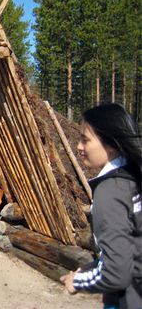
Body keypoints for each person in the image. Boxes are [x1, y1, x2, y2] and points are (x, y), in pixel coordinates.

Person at [60, 103, 141, 308]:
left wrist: (77, 281)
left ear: (111, 144)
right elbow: (129, 249)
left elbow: (117, 273)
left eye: (85, 140)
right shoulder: (132, 180)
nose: (79, 146)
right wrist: (90, 268)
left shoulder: (111, 192)